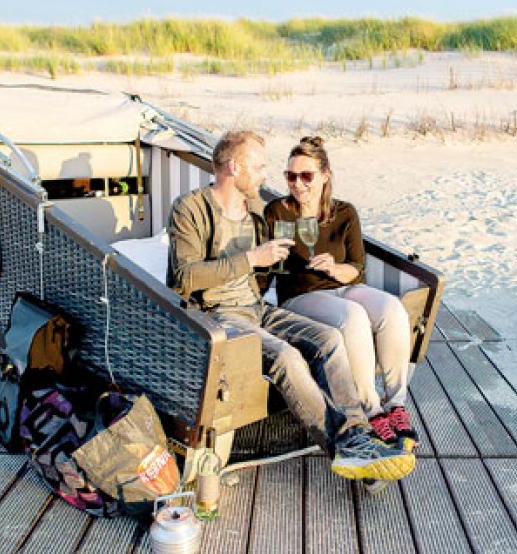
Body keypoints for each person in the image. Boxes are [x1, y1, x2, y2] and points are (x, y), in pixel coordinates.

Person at [166, 130, 415, 482]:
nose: (265, 175)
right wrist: (252, 258)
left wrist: (272, 267)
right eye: (259, 167)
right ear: (234, 167)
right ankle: (344, 444)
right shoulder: (190, 208)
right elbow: (184, 278)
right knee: (285, 356)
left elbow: (267, 273)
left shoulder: (254, 210)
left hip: (256, 308)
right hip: (216, 316)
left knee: (328, 338)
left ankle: (360, 433)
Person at [264, 136, 419, 452]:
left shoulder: (345, 212)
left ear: (325, 175)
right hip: (301, 294)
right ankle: (369, 409)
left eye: (306, 175)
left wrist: (335, 268)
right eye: (290, 176)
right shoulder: (279, 211)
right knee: (353, 316)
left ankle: (396, 404)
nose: (297, 184)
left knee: (392, 309)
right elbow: (271, 266)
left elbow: (356, 268)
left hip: (343, 285)